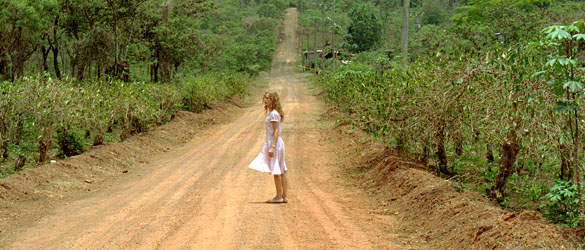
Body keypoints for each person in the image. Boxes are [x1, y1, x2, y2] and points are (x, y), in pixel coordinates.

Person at [248, 92, 288, 203]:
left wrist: (272, 147)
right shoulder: (273, 113)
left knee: (276, 169)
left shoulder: (273, 114)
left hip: (274, 142)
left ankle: (279, 196)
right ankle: (283, 196)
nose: (265, 101)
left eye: (268, 99)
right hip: (276, 142)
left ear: (273, 100)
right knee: (281, 169)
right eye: (264, 98)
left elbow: (276, 131)